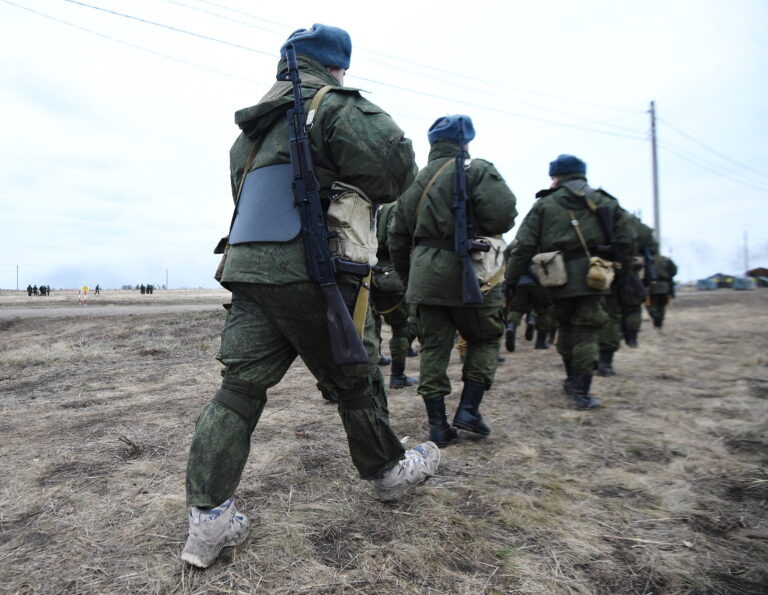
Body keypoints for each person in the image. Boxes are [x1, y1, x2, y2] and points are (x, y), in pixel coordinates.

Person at [181, 24, 439, 569]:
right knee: (356, 377)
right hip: (315, 271)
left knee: (238, 391)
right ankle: (389, 471)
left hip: (250, 270)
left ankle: (208, 522)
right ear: (336, 66)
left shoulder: (249, 130)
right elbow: (395, 173)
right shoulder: (334, 105)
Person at [390, 115, 517, 447]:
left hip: (424, 279)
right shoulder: (476, 170)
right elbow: (502, 216)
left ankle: (438, 427)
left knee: (434, 349)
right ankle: (469, 410)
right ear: (466, 141)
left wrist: (410, 281)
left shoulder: (412, 186)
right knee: (485, 338)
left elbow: (397, 239)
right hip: (470, 272)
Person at [506, 154, 632, 410]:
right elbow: (627, 240)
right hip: (594, 277)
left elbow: (523, 246)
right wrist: (621, 272)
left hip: (555, 277)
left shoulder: (545, 204)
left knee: (564, 327)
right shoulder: (603, 201)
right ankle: (581, 392)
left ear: (555, 178)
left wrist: (512, 279)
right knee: (586, 332)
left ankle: (571, 379)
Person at [371, 202, 418, 389]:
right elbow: (395, 242)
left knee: (371, 327)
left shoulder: (370, 206)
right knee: (401, 327)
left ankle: (372, 369)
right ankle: (397, 375)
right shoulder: (395, 208)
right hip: (391, 276)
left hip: (368, 273)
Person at [503, 241, 552, 352]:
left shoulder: (513, 246)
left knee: (516, 309)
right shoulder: (541, 242)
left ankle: (511, 328)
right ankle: (540, 342)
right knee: (543, 311)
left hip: (520, 282)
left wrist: (510, 281)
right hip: (539, 281)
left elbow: (508, 262)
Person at [646, 253, 677, 328]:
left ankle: (655, 315)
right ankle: (659, 322)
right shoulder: (666, 259)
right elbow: (674, 270)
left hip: (653, 286)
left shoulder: (649, 259)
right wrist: (668, 275)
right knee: (662, 305)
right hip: (665, 286)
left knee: (652, 304)